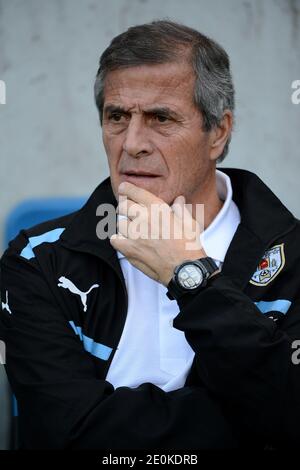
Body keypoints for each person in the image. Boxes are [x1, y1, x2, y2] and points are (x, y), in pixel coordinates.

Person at [0, 20, 300, 450]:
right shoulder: (37, 259)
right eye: (117, 117)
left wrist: (189, 275)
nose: (133, 143)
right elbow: (69, 433)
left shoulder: (293, 259)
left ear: (218, 131)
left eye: (161, 118)